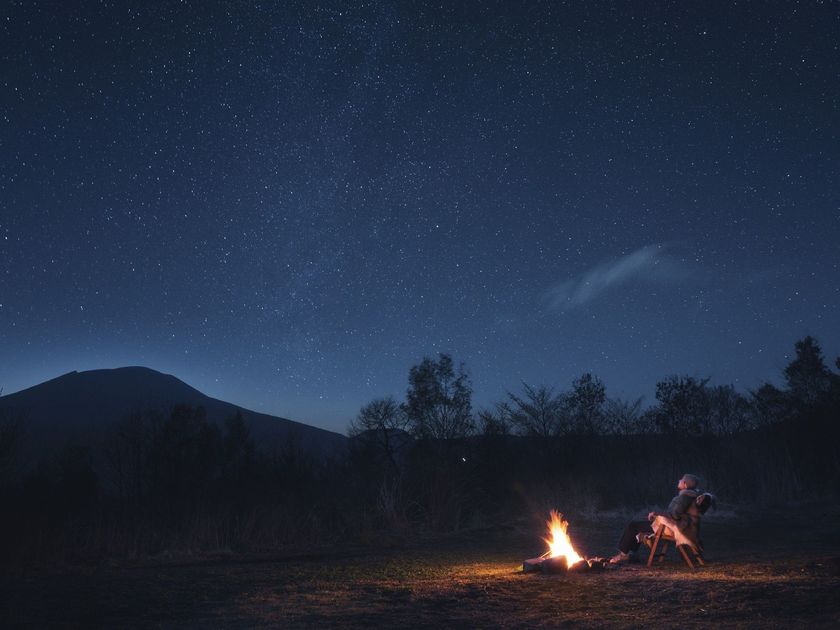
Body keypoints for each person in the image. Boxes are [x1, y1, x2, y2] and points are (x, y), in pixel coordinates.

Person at [609, 473, 702, 564]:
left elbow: (674, 516)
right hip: (678, 527)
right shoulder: (690, 496)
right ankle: (632, 554)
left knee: (633, 526)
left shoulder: (684, 498)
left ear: (685, 484)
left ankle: (623, 554)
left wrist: (657, 514)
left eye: (681, 479)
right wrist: (657, 516)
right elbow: (676, 515)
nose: (679, 480)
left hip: (671, 528)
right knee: (638, 523)